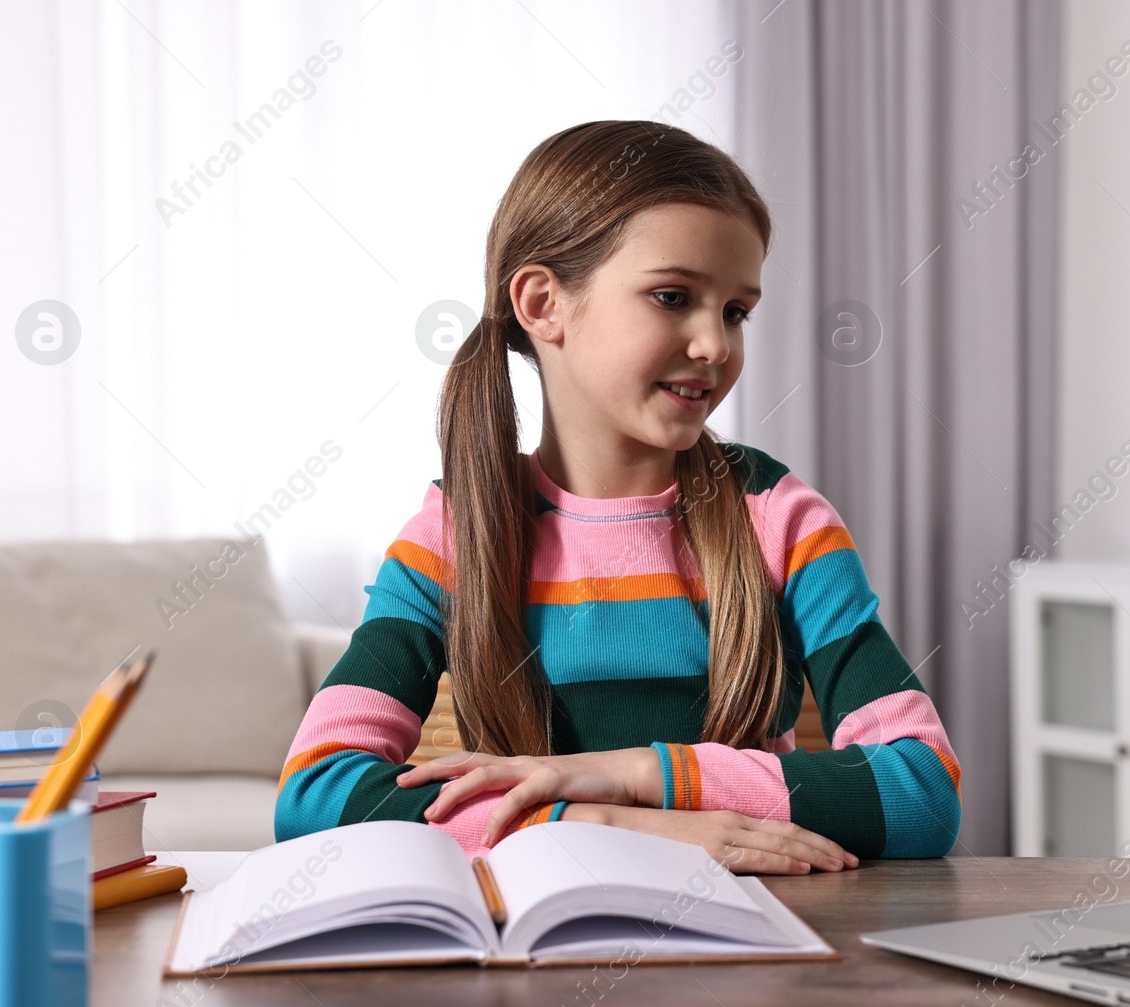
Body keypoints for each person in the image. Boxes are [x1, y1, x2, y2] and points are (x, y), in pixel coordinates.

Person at [275, 120, 961, 873]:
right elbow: (313, 793)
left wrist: (635, 775)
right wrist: (596, 822)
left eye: (736, 311)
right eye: (673, 297)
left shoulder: (779, 517)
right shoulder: (452, 533)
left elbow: (923, 791)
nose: (716, 345)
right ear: (543, 304)